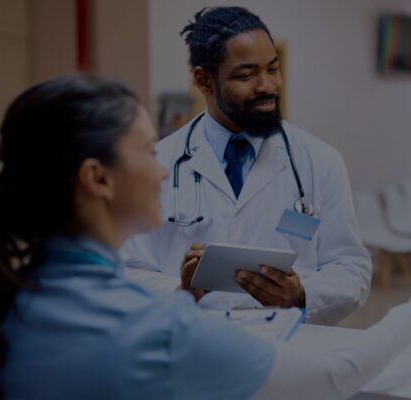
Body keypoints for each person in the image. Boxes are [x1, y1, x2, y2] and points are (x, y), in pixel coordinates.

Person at [0, 76, 411, 400]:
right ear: (97, 178)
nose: (164, 168)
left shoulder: (6, 301)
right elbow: (332, 379)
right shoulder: (157, 327)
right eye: (148, 151)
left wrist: (292, 291)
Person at [120, 6, 371, 324]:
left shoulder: (320, 161)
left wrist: (300, 294)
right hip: (192, 342)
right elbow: (128, 271)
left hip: (289, 348)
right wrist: (181, 292)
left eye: (273, 69)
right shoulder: (160, 162)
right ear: (204, 81)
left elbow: (351, 269)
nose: (267, 86)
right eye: (246, 74)